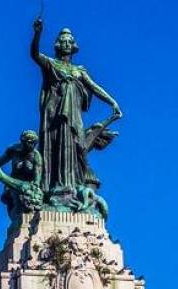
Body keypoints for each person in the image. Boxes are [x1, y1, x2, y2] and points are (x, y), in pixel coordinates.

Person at [30, 18, 121, 204]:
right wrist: (37, 33)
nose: (65, 44)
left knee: (76, 145)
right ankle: (54, 188)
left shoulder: (79, 70)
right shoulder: (50, 64)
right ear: (57, 45)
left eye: (69, 41)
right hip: (54, 113)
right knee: (54, 146)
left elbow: (94, 87)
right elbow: (34, 54)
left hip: (73, 114)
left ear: (73, 46)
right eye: (62, 41)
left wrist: (112, 102)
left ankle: (71, 187)